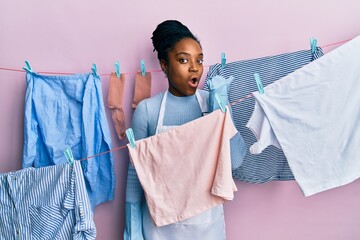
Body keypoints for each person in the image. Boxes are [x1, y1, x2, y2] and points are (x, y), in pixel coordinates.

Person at [124, 20, 243, 240]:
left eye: (199, 60)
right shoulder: (148, 111)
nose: (194, 67)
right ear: (164, 65)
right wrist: (132, 229)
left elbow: (235, 161)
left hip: (206, 226)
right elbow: (135, 175)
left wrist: (222, 109)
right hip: (158, 227)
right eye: (183, 60)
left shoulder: (212, 102)